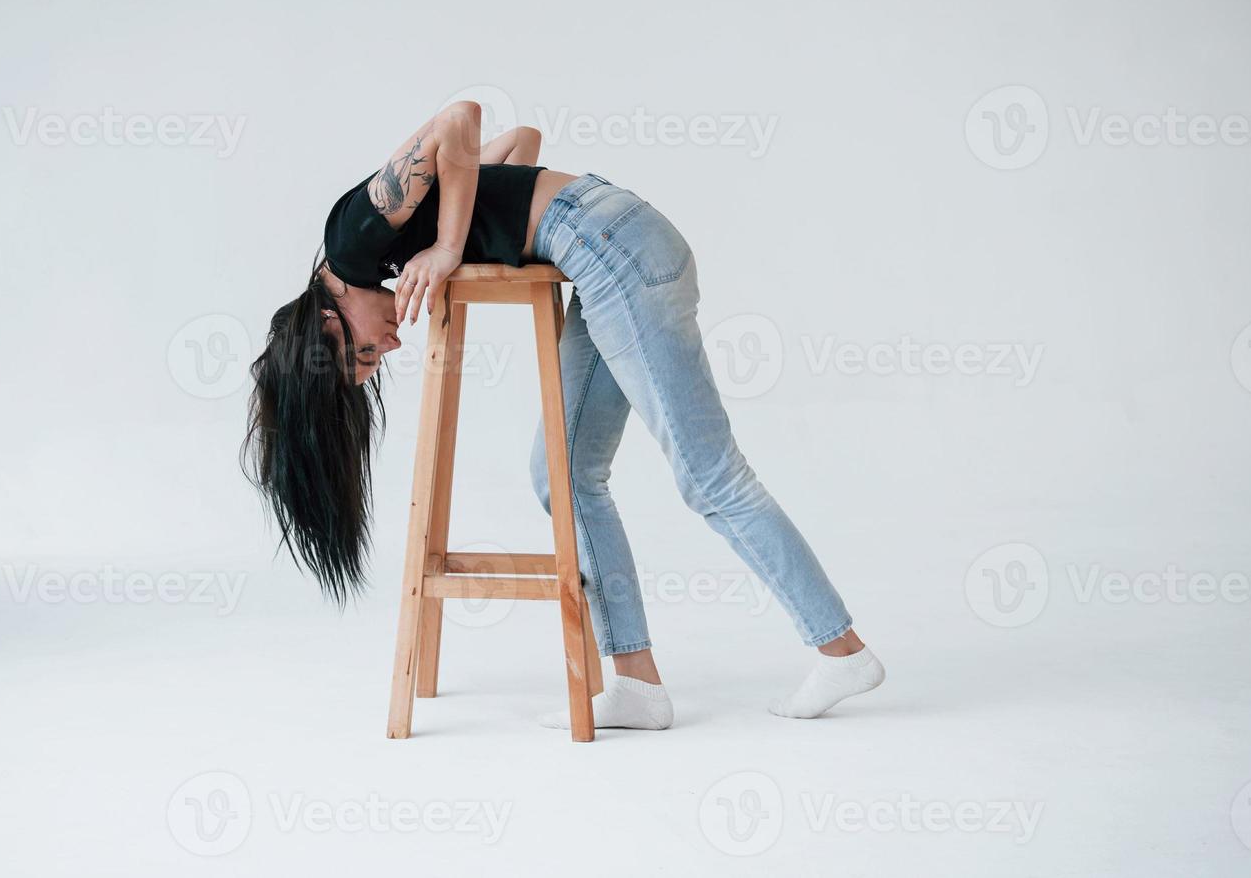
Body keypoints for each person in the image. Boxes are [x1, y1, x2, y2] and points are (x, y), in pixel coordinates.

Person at [243, 101, 884, 730]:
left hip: (611, 247)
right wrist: (462, 224)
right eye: (376, 362)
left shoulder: (352, 237)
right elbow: (520, 142)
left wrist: (446, 247)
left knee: (708, 475)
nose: (390, 347)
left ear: (327, 323)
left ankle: (841, 651)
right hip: (603, 253)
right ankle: (636, 684)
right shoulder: (375, 249)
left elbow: (458, 118)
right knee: (564, 474)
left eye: (364, 352)